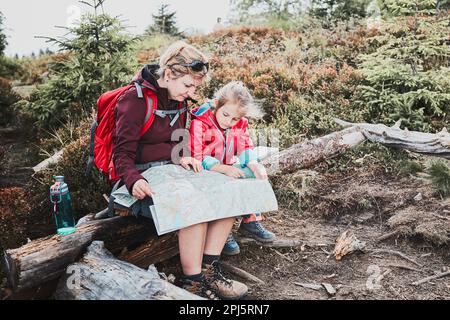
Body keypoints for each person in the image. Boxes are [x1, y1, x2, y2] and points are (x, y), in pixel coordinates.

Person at [112, 41, 248, 300]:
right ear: (169, 74)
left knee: (229, 188)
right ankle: (193, 283)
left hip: (171, 171)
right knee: (193, 201)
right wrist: (132, 180)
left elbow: (176, 140)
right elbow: (122, 154)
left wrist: (183, 156)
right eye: (188, 85)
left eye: (195, 87)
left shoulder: (177, 98)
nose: (191, 92)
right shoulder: (134, 100)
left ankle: (210, 270)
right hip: (140, 180)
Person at [189, 81, 277, 257]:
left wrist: (253, 163)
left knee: (253, 174)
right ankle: (222, 232)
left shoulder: (240, 123)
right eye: (226, 115)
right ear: (216, 105)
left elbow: (244, 146)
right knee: (221, 187)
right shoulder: (200, 121)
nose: (229, 122)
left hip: (226, 167)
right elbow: (196, 153)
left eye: (235, 118)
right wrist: (221, 168)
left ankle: (250, 220)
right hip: (204, 172)